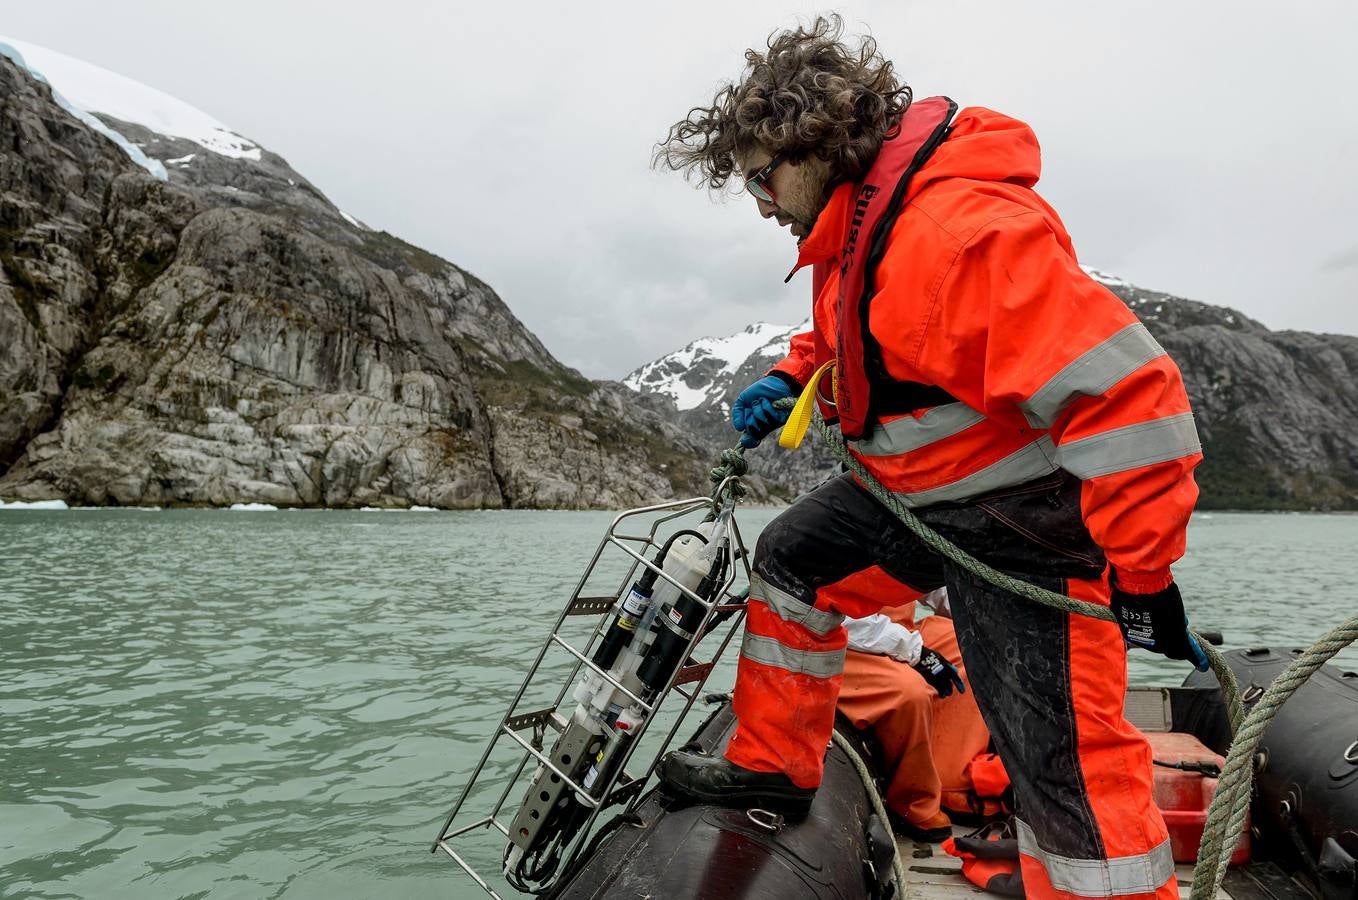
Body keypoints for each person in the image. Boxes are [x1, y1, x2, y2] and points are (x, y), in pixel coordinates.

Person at [653, 16, 1208, 900]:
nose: (758, 199)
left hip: (1023, 526)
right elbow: (879, 339)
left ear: (818, 144)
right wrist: (795, 372)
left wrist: (1142, 573)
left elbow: (1133, 397)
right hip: (922, 504)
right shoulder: (865, 226)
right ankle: (775, 765)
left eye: (762, 176)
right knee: (795, 561)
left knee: (1062, 769)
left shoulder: (957, 233)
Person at [839, 586, 992, 843]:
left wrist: (989, 617)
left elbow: (937, 583)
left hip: (897, 636)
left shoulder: (912, 542)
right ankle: (912, 802)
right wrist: (916, 653)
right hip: (841, 644)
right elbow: (833, 616)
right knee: (911, 692)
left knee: (976, 644)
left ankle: (950, 784)